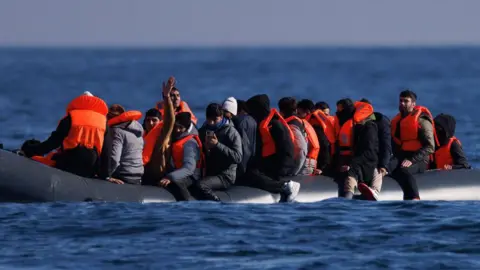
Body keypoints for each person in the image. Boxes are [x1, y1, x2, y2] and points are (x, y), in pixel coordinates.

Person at [22, 91, 108, 178]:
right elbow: (106, 152)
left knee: (45, 158)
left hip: (70, 163)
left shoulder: (70, 118)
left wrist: (30, 150)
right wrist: (105, 175)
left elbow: (52, 143)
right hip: (91, 167)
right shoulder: (104, 123)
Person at [244, 94, 300, 202]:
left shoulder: (275, 124)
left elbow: (287, 149)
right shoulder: (262, 124)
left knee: (253, 177)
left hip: (278, 168)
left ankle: (286, 186)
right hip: (268, 165)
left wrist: (281, 172)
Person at [390, 90, 436, 200]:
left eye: (406, 101)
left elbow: (430, 146)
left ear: (413, 104)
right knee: (386, 166)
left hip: (419, 160)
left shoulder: (422, 121)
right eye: (401, 101)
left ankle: (414, 197)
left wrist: (412, 160)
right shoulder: (398, 121)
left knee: (403, 170)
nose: (402, 103)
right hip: (403, 156)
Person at [334, 99, 378, 199]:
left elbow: (369, 151)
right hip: (348, 159)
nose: (337, 113)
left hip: (366, 161)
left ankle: (348, 198)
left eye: (340, 110)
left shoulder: (368, 126)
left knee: (353, 171)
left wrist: (351, 164)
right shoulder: (346, 124)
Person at [197, 103, 243, 201]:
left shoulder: (231, 132)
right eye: (209, 120)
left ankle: (217, 202)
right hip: (209, 172)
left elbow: (238, 157)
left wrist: (217, 145)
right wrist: (205, 149)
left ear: (221, 117)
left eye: (215, 120)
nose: (212, 123)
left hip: (225, 176)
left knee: (201, 185)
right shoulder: (203, 131)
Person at [158, 112, 203, 201]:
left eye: (181, 128)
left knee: (176, 182)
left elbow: (189, 168)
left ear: (186, 129)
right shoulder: (176, 138)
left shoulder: (190, 143)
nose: (177, 130)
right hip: (177, 172)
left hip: (191, 176)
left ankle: (189, 203)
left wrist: (170, 177)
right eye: (176, 127)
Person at [356, 98, 392, 200]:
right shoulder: (358, 122)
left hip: (380, 157)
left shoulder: (381, 122)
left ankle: (375, 190)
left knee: (378, 169)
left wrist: (384, 165)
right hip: (365, 156)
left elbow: (386, 145)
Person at [98, 104, 144, 185]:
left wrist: (106, 176)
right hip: (138, 176)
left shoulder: (116, 131)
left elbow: (115, 159)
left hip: (124, 175)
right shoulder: (138, 131)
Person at [143, 77, 176, 184]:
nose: (151, 123)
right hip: (143, 176)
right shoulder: (141, 136)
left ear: (160, 121)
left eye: (154, 120)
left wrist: (167, 97)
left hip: (158, 178)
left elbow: (170, 119)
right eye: (148, 120)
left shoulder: (163, 135)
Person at [278, 97, 307, 176]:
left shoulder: (292, 125)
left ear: (281, 112)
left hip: (295, 169)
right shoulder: (300, 122)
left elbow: (301, 148)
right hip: (304, 165)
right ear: (296, 110)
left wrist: (293, 172)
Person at [305, 104, 336, 176]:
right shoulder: (314, 127)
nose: (326, 118)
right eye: (324, 115)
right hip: (314, 165)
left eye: (327, 115)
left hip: (324, 166)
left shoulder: (330, 128)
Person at [232, 99, 257, 180]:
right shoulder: (253, 120)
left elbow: (243, 147)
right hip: (252, 163)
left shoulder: (240, 122)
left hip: (243, 167)